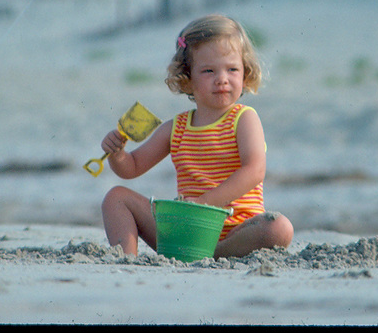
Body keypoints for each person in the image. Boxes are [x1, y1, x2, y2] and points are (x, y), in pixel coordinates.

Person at [100, 14, 293, 259]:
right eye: (208, 70)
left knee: (278, 227)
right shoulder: (177, 127)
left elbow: (254, 170)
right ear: (188, 79)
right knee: (116, 198)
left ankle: (214, 253)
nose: (222, 78)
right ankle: (127, 259)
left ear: (245, 73)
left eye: (232, 69)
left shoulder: (244, 119)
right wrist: (117, 154)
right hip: (186, 229)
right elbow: (132, 167)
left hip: (237, 229)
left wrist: (203, 203)